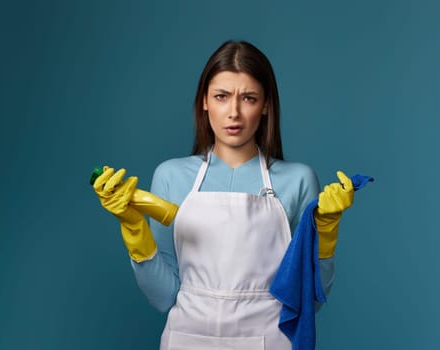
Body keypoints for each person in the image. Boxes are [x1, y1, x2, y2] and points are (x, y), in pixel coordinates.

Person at [92, 40, 356, 350]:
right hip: (186, 340)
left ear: (266, 105)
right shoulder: (171, 176)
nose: (234, 112)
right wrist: (134, 228)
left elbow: (309, 303)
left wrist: (325, 236)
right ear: (204, 101)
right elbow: (163, 297)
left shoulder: (297, 180)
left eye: (249, 98)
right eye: (221, 96)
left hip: (267, 341)